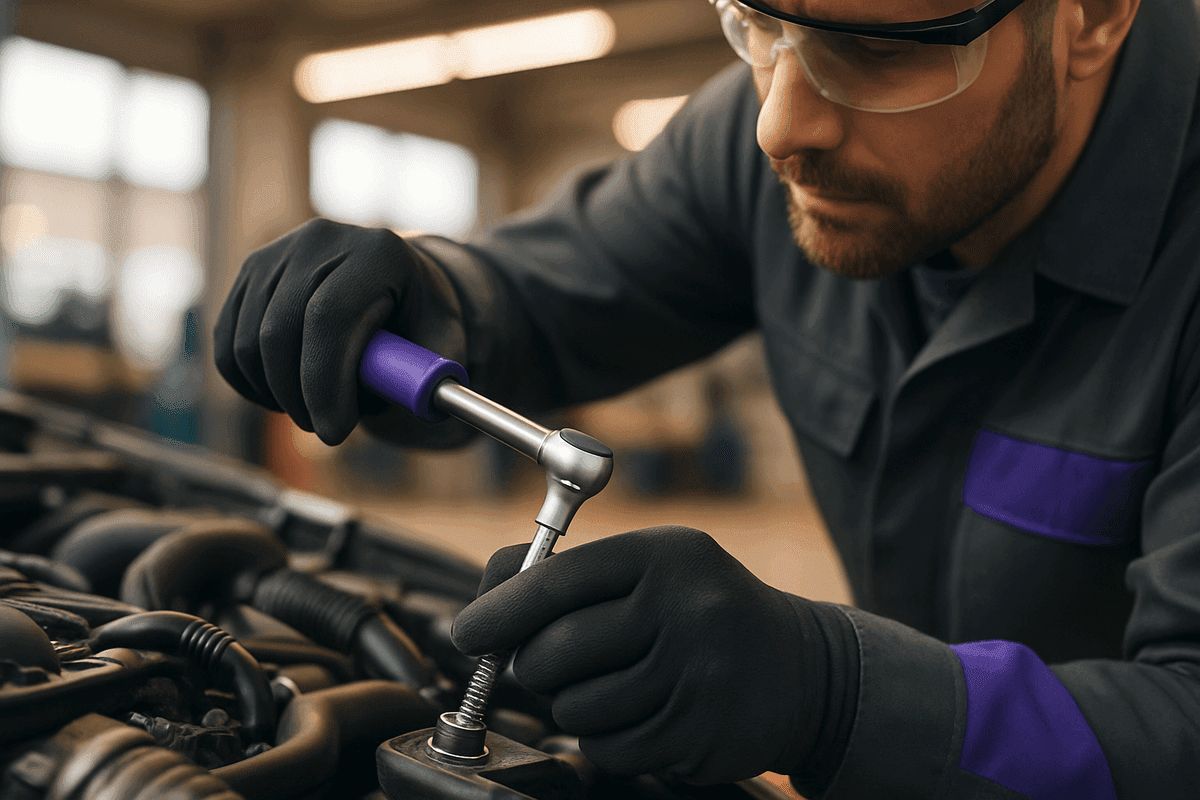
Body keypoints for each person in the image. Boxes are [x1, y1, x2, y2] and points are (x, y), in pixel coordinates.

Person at [214, 0, 1200, 795]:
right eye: (757, 23)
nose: (781, 124)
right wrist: (420, 297)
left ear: (1097, 16)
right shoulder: (766, 130)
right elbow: (539, 299)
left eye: (874, 50)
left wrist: (836, 691)